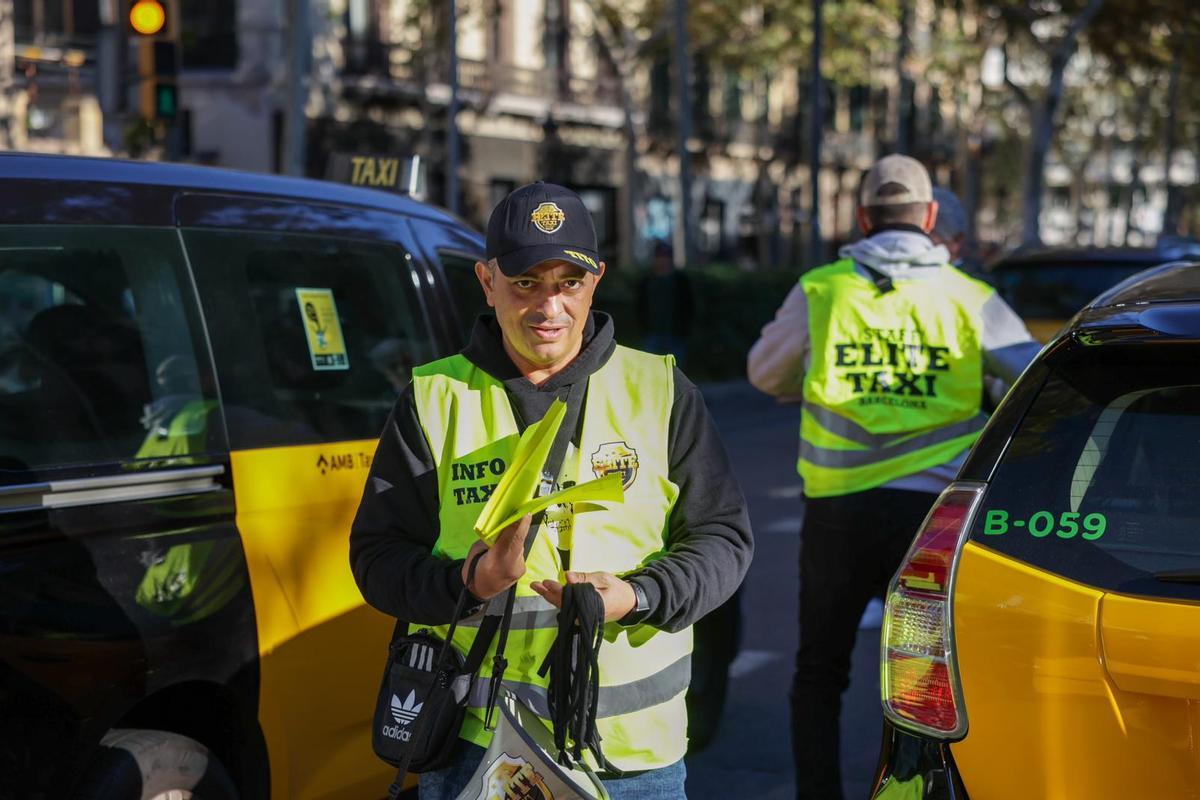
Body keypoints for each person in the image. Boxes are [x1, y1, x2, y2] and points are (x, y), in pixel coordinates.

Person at [351, 181, 753, 799]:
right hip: (474, 750)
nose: (550, 307)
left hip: (631, 764)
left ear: (596, 281)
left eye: (569, 282)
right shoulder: (434, 398)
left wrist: (638, 596)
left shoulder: (662, 390)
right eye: (525, 283)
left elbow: (724, 539)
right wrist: (471, 584)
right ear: (487, 282)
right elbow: (377, 559)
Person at [746, 155, 1039, 800]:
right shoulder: (969, 297)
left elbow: (764, 375)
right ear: (931, 218)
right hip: (932, 523)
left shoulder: (822, 288)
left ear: (860, 218)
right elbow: (1034, 383)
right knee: (921, 679)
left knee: (820, 671)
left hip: (837, 516)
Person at [636, 240, 695, 366]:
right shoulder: (647, 281)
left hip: (675, 334)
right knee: (650, 369)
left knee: (676, 372)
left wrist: (685, 329)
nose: (663, 261)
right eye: (660, 257)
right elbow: (640, 305)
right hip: (652, 333)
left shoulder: (681, 280)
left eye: (666, 257)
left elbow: (689, 306)